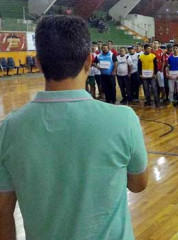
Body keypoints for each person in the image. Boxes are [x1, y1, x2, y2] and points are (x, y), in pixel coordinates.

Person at [0, 15, 148, 240]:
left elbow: (3, 212)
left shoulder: (8, 128)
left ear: (38, 62)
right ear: (89, 61)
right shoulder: (123, 119)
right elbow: (138, 184)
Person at [166, 44, 178, 109]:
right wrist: (168, 74)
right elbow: (168, 67)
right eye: (174, 48)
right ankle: (171, 103)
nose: (175, 49)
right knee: (171, 90)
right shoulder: (170, 57)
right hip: (171, 74)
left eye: (176, 48)